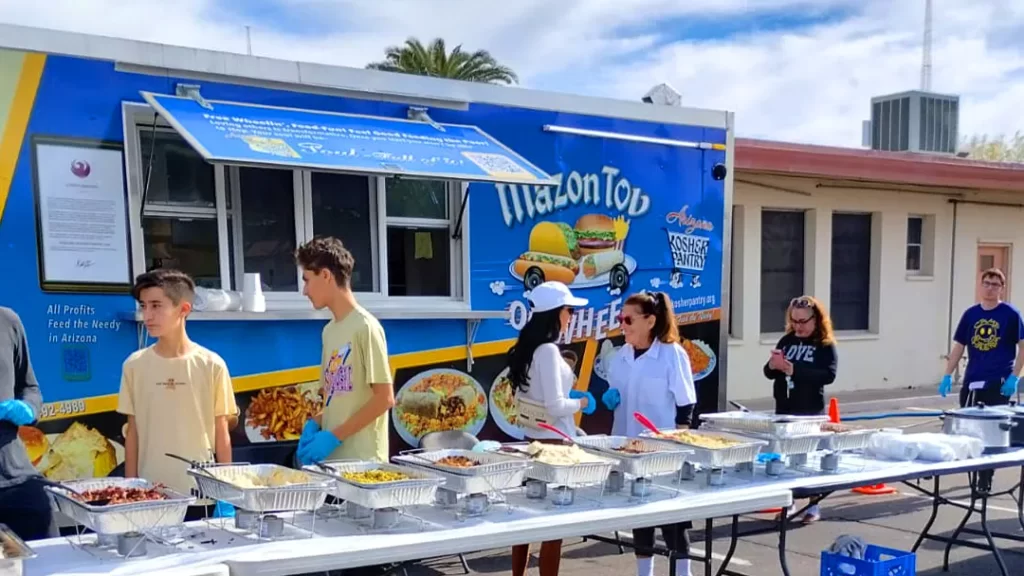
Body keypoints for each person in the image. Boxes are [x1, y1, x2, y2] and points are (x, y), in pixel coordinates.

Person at [117, 269, 237, 521]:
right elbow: (133, 431)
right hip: (150, 493)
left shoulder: (212, 364)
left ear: (183, 309)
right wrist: (130, 489)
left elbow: (221, 431)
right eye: (143, 306)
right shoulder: (134, 365)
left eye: (156, 306)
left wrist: (227, 492)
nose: (147, 315)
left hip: (200, 492)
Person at [601, 291, 697, 576]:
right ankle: (645, 572)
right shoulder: (620, 356)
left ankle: (683, 572)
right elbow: (615, 391)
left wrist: (680, 442)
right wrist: (611, 398)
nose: (622, 324)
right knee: (640, 512)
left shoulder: (671, 354)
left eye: (628, 319)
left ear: (650, 321)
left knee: (672, 517)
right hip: (627, 447)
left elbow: (686, 403)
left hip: (661, 449)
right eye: (620, 318)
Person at [508, 281, 594, 576]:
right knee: (553, 525)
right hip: (555, 448)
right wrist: (581, 402)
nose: (571, 316)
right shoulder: (546, 350)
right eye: (569, 310)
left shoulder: (528, 347)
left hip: (533, 441)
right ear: (556, 313)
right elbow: (557, 405)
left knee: (526, 519)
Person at [296, 237, 394, 466]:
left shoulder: (366, 327)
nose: (304, 291)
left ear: (326, 275)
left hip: (364, 467)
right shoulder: (329, 332)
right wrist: (316, 423)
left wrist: (334, 437)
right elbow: (338, 402)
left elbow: (385, 399)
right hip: (332, 465)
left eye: (307, 280)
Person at [763, 295, 837, 523]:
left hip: (810, 409)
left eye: (803, 321)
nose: (798, 326)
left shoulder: (825, 345)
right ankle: (790, 503)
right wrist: (774, 366)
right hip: (785, 407)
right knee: (786, 457)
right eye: (794, 321)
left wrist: (796, 371)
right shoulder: (787, 340)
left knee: (810, 458)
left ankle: (813, 506)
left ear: (816, 319)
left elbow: (829, 375)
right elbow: (769, 372)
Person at [0, 307, 55, 541]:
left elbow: (30, 387)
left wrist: (28, 408)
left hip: (13, 472)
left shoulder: (7, 320)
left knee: (46, 551)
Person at [939, 268, 1023, 407]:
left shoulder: (1011, 314)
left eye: (995, 285)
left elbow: (1023, 346)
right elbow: (959, 346)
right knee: (968, 423)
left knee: (993, 424)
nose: (990, 288)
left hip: (998, 380)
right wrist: (947, 374)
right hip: (973, 379)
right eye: (986, 283)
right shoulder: (971, 314)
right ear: (980, 285)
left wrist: (1014, 377)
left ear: (1002, 288)